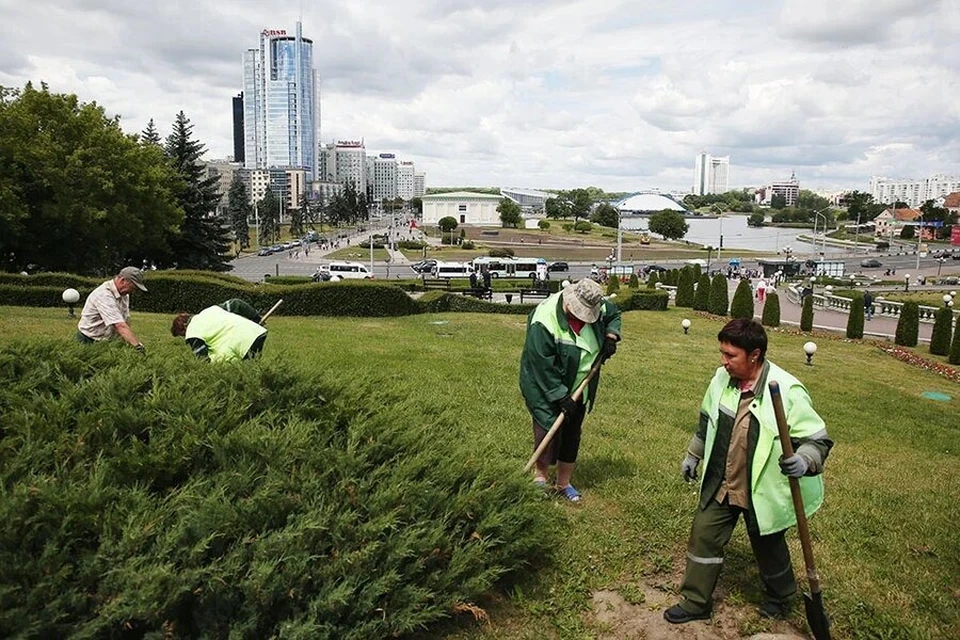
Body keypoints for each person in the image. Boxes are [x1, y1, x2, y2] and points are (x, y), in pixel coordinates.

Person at [664, 318, 833, 624]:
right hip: (723, 480)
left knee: (769, 546)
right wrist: (693, 454)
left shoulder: (787, 390)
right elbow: (707, 422)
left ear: (754, 355)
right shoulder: (720, 379)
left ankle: (780, 598)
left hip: (762, 489)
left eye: (731, 356)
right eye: (722, 353)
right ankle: (696, 601)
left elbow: (816, 440)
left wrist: (805, 460)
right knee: (703, 535)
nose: (723, 361)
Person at [519, 279, 622, 502]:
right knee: (548, 428)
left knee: (572, 432)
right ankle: (540, 478)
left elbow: (614, 313)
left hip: (581, 383)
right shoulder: (544, 320)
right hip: (544, 385)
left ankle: (563, 482)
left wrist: (611, 336)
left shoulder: (596, 303)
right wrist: (559, 395)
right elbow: (542, 366)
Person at [170, 299, 267, 362]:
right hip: (256, 333)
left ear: (184, 328)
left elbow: (202, 360)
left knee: (247, 375)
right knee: (255, 370)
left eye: (182, 335)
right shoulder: (210, 310)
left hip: (240, 346)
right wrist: (255, 318)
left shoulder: (192, 331)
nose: (185, 337)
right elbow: (236, 303)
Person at [76, 266, 148, 352]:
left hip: (106, 341)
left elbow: (125, 321)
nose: (133, 292)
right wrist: (138, 347)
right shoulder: (104, 295)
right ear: (122, 280)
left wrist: (129, 342)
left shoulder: (124, 295)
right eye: (133, 288)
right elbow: (119, 325)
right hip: (88, 340)